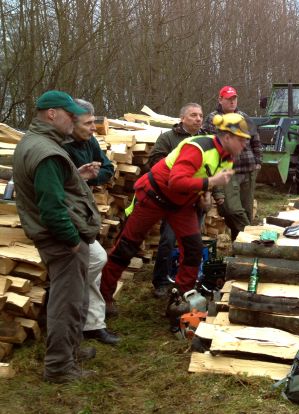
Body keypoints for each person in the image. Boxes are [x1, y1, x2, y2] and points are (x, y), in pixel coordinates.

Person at [100, 113, 254, 314]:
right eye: (241, 140)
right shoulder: (197, 148)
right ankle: (103, 298)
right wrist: (209, 183)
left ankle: (181, 299)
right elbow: (176, 181)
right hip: (154, 196)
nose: (244, 144)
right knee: (126, 247)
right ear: (227, 137)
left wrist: (205, 194)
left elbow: (205, 176)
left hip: (182, 203)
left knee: (193, 249)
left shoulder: (227, 159)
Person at [13, 90, 100, 383]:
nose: (74, 120)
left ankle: (70, 350)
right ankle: (60, 366)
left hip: (61, 239)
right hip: (62, 241)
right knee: (67, 303)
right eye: (70, 115)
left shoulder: (37, 143)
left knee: (74, 299)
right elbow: (51, 208)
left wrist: (77, 175)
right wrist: (72, 241)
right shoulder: (47, 152)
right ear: (52, 114)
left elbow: (52, 188)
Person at [62, 98, 119, 345]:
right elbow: (60, 182)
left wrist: (93, 177)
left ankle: (93, 324)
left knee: (92, 268)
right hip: (67, 215)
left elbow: (108, 168)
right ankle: (68, 308)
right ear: (72, 122)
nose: (94, 128)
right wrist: (80, 175)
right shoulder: (60, 146)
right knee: (95, 260)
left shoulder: (90, 141)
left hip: (84, 212)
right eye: (88, 123)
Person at [147, 103, 209, 298]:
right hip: (174, 201)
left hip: (196, 200)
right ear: (182, 118)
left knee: (192, 244)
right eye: (193, 115)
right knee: (168, 240)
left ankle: (187, 282)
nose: (198, 119)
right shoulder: (168, 138)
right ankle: (161, 282)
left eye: (200, 115)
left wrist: (214, 195)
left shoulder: (206, 140)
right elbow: (154, 161)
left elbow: (214, 169)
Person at [204, 86, 262, 240]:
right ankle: (252, 238)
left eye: (234, 98)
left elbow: (255, 140)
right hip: (227, 170)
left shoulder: (244, 117)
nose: (232, 102)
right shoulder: (213, 119)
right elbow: (210, 145)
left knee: (247, 211)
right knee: (231, 210)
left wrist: (258, 161)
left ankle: (240, 246)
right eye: (228, 99)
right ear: (220, 100)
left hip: (248, 168)